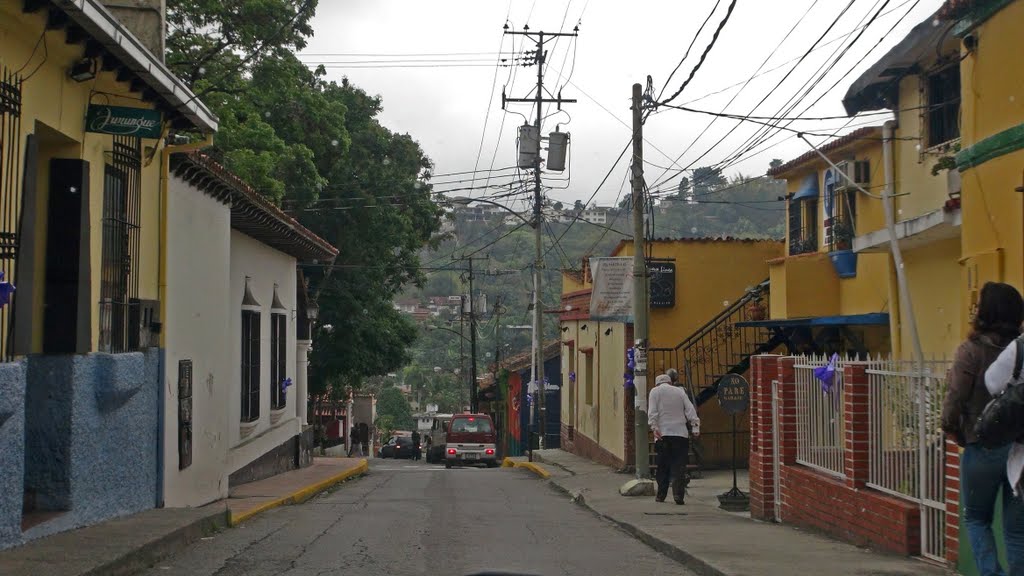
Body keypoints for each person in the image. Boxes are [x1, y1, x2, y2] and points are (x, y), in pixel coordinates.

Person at [942, 281, 1024, 576]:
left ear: (984, 312)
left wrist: (951, 428)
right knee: (1017, 531)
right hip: (1019, 449)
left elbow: (955, 397)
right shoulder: (1022, 349)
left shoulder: (971, 351)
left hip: (981, 445)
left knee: (977, 519)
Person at [649, 373, 700, 504]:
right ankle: (678, 496)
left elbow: (653, 412)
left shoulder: (654, 392)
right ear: (670, 382)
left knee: (663, 466)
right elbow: (690, 409)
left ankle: (661, 495)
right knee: (679, 466)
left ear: (657, 383)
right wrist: (695, 427)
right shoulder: (680, 391)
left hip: (662, 435)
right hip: (680, 434)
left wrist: (654, 427)